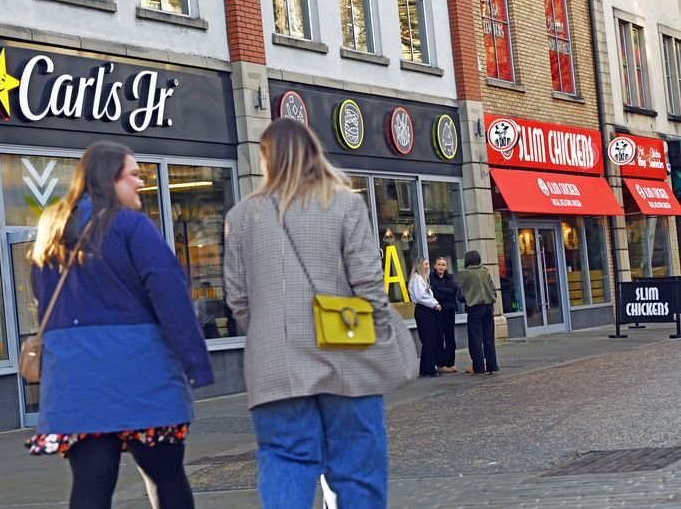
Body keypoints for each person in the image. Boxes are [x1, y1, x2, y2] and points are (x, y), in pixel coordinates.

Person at [223, 118, 418, 509]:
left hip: (273, 366)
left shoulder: (242, 216)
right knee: (358, 469)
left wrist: (273, 333)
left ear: (267, 158)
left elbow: (238, 300)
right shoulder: (344, 203)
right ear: (314, 152)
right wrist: (376, 337)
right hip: (346, 357)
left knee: (284, 461)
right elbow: (369, 287)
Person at [26, 141, 214, 509]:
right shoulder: (131, 226)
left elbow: (43, 300)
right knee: (165, 476)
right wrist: (195, 362)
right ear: (110, 179)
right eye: (134, 175)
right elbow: (170, 295)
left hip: (76, 381)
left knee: (92, 482)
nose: (140, 184)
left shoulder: (51, 231)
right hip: (141, 376)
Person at [458, 250, 498, 376]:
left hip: (475, 308)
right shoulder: (485, 271)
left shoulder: (466, 273)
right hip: (488, 306)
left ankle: (479, 367)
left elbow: (461, 293)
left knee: (475, 339)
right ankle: (492, 365)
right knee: (488, 338)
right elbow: (493, 288)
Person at [408, 257, 441, 378]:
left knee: (430, 339)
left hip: (426, 310)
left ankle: (427, 367)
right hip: (424, 311)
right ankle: (429, 369)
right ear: (419, 265)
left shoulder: (421, 279)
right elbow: (422, 296)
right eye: (426, 264)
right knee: (428, 339)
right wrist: (435, 304)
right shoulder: (417, 279)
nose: (428, 266)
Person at [430, 256, 458, 374]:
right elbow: (434, 294)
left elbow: (453, 291)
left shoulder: (450, 278)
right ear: (435, 266)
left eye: (443, 265)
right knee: (439, 338)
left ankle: (450, 363)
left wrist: (441, 290)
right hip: (438, 311)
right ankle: (441, 364)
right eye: (439, 264)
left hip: (450, 310)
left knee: (450, 337)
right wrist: (445, 292)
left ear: (446, 266)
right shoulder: (431, 278)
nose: (441, 267)